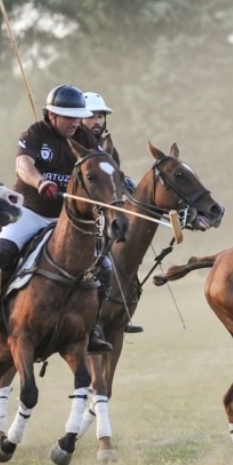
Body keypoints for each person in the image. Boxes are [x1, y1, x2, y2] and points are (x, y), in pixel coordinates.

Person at [0, 84, 113, 353]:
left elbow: (100, 168)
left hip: (67, 220)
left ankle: (92, 326)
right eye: (69, 118)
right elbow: (23, 165)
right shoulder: (35, 133)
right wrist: (40, 182)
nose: (75, 123)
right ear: (52, 115)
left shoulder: (85, 138)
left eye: (77, 117)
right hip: (31, 212)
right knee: (1, 253)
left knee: (103, 266)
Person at [82, 91, 142, 333]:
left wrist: (125, 182)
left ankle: (118, 313)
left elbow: (111, 177)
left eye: (101, 116)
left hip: (98, 216)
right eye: (92, 116)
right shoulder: (69, 142)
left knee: (118, 261)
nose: (97, 121)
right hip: (70, 214)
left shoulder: (103, 146)